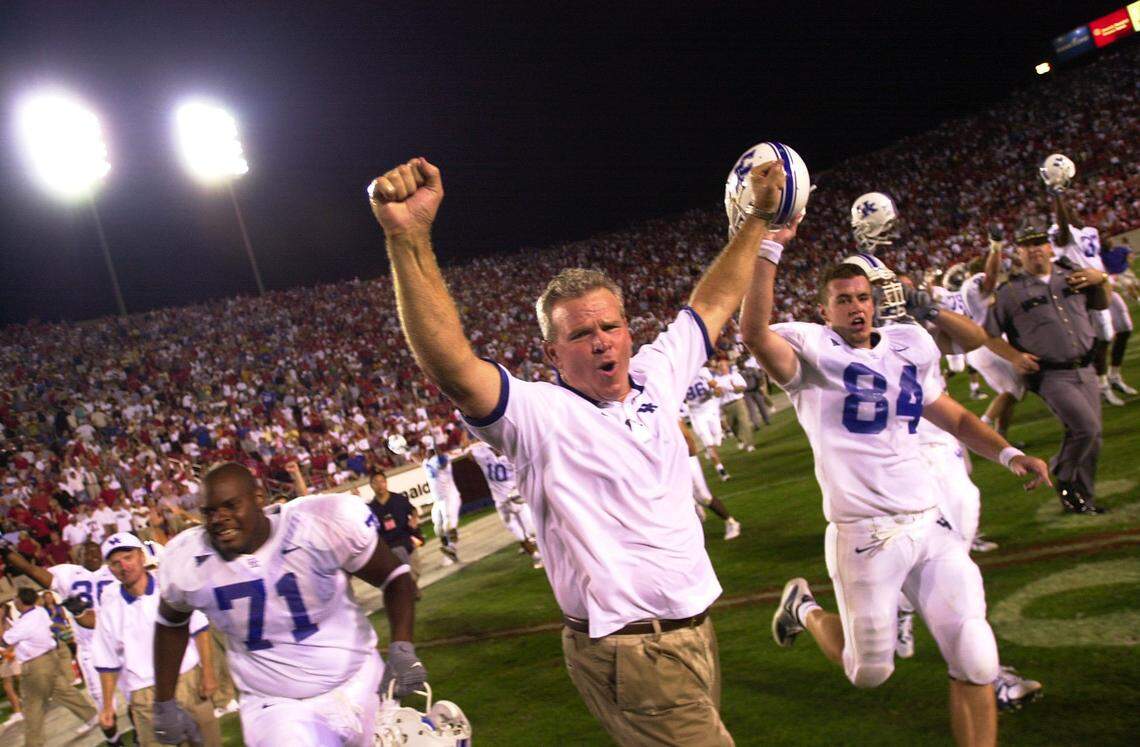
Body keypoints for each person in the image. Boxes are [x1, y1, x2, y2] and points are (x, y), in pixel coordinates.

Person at [366, 155, 783, 745]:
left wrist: (757, 222)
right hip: (635, 651)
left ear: (628, 329)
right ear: (552, 354)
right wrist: (409, 239)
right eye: (581, 335)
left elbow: (712, 304)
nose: (601, 342)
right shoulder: (538, 415)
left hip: (689, 632)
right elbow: (456, 368)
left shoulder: (657, 373)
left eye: (610, 326)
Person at [739, 229, 1051, 746]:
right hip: (866, 534)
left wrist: (1009, 453)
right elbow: (754, 333)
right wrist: (768, 248)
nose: (856, 308)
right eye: (843, 301)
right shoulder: (811, 354)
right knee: (869, 672)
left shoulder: (908, 344)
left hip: (929, 521)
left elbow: (951, 413)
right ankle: (805, 609)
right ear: (826, 310)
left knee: (976, 654)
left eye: (862, 297)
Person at [151, 462, 424, 747]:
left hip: (361, 681)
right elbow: (170, 622)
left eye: (230, 506)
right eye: (209, 512)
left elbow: (394, 576)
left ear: (259, 499)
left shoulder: (318, 522)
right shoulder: (189, 560)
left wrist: (403, 646)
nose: (219, 519)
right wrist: (164, 701)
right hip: (278, 707)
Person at [986, 218, 1112, 514]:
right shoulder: (1010, 292)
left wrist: (1102, 280)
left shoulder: (1073, 275)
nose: (1034, 250)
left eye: (1038, 243)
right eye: (1026, 246)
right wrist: (1014, 356)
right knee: (1086, 428)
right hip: (1050, 374)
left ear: (1048, 246)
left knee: (1092, 437)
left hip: (1086, 367)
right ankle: (1063, 472)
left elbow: (1102, 304)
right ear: (1018, 253)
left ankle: (1082, 499)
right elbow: (989, 334)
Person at [92, 532, 220, 746]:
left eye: (128, 557)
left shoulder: (169, 587)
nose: (123, 566)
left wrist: (208, 672)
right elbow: (107, 662)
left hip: (187, 679)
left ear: (141, 557)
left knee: (210, 742)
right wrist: (107, 706)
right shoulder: (110, 610)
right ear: (110, 570)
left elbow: (200, 629)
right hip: (144, 693)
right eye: (115, 563)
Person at [1, 539, 128, 744]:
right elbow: (30, 569)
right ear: (78, 557)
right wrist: (8, 552)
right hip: (92, 650)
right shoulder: (68, 573)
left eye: (97, 551)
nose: (94, 555)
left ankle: (140, 736)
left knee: (137, 697)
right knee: (106, 707)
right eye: (88, 552)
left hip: (122, 642)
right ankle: (116, 743)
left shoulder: (114, 571)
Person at [1048, 192, 1125, 406]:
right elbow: (1063, 229)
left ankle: (1110, 378)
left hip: (1102, 282)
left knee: (1118, 331)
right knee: (1099, 339)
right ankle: (1100, 385)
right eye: (1067, 210)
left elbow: (1093, 248)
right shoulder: (1061, 233)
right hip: (1085, 290)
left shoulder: (1085, 231)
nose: (1072, 212)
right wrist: (1058, 197)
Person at [1, 587, 97, 746]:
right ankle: (91, 715)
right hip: (49, 660)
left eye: (16, 598)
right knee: (64, 692)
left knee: (32, 707)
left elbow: (6, 640)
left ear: (20, 601)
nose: (15, 601)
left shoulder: (25, 622)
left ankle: (34, 743)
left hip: (35, 666)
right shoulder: (39, 611)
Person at [465, 440, 543, 568]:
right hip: (501, 503)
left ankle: (542, 550)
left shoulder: (510, 455)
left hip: (516, 498)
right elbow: (469, 454)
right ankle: (536, 556)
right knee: (519, 534)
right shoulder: (484, 453)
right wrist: (475, 445)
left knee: (531, 530)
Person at [679, 420, 742, 541]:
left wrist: (690, 458)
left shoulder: (662, 408)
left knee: (704, 496)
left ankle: (731, 522)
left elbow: (687, 436)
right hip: (663, 466)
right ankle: (694, 507)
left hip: (683, 458)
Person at [366, 470, 426, 590]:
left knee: (414, 570)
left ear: (386, 483)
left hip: (405, 540)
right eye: (376, 483)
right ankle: (409, 590)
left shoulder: (399, 499)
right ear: (371, 486)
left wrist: (414, 519)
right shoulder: (371, 508)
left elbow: (413, 510)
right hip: (388, 545)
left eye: (382, 482)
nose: (380, 485)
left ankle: (410, 587)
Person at [1099, 235, 1137, 395]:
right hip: (1095, 290)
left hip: (1108, 286)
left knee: (1125, 329)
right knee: (1103, 338)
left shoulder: (1093, 244)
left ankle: (1113, 376)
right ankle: (1101, 384)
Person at [685, 365, 732, 480]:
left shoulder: (702, 371)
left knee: (717, 438)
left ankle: (710, 449)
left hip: (710, 408)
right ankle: (720, 469)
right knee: (709, 442)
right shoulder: (678, 377)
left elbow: (718, 390)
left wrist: (712, 393)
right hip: (696, 413)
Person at [424, 446, 462, 565]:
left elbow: (443, 462)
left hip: (449, 498)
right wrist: (407, 452)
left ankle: (452, 548)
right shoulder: (426, 462)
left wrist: (437, 448)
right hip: (438, 500)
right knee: (438, 528)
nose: (427, 452)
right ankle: (448, 549)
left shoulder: (441, 460)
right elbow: (419, 460)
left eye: (429, 450)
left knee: (449, 526)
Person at [712, 359, 755, 452]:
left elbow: (743, 387)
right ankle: (741, 439)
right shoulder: (716, 380)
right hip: (726, 405)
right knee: (733, 426)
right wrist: (719, 392)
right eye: (720, 367)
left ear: (727, 367)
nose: (722, 369)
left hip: (738, 402)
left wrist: (735, 388)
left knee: (744, 422)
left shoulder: (735, 375)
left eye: (723, 366)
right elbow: (715, 394)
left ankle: (749, 444)